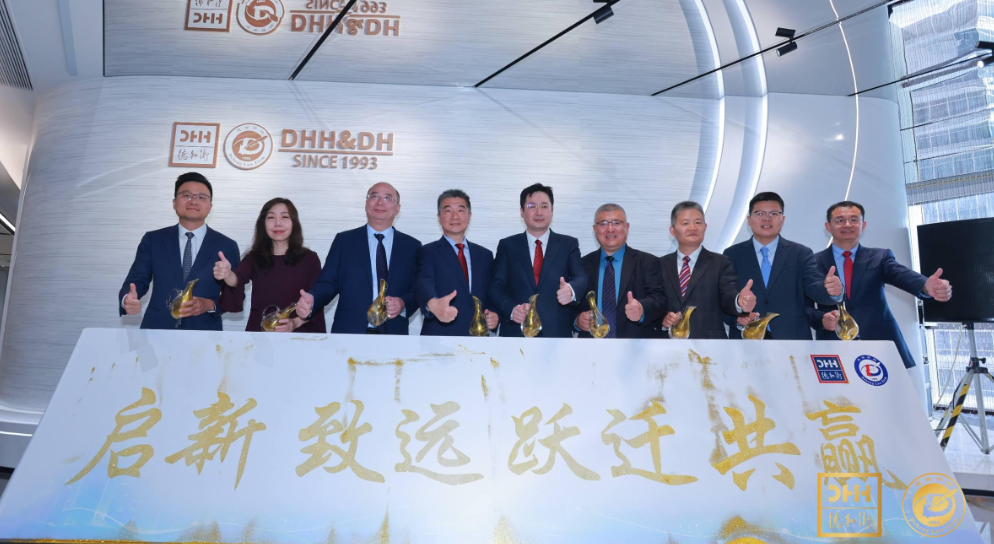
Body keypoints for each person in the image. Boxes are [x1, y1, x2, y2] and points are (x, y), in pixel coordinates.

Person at [808, 201, 952, 371]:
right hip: (833, 346)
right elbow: (804, 307)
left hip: (880, 344)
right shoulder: (812, 262)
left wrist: (925, 285)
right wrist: (822, 320)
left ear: (863, 225)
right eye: (840, 220)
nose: (847, 224)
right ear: (828, 226)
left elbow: (901, 275)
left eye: (853, 219)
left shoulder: (880, 257)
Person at [294, 182, 421, 334]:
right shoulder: (344, 241)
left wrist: (403, 303)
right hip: (349, 333)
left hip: (394, 334)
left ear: (398, 208)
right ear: (366, 204)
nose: (380, 202)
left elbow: (418, 290)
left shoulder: (412, 246)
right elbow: (328, 283)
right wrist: (312, 299)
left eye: (387, 198)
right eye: (374, 196)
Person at [119, 172, 240, 330]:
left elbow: (235, 295)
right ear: (174, 202)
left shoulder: (227, 245)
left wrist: (209, 304)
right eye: (186, 195)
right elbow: (137, 279)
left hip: (204, 332)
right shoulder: (153, 240)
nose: (193, 201)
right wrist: (127, 299)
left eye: (201, 197)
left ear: (210, 206)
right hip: (157, 329)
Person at [723, 192, 842, 339]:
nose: (766, 218)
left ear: (782, 219)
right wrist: (737, 318)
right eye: (760, 213)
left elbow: (815, 289)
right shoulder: (732, 254)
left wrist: (833, 291)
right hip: (746, 340)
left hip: (793, 340)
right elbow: (724, 298)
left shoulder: (801, 253)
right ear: (749, 220)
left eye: (774, 213)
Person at [489, 184, 588, 338]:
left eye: (544, 206)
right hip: (516, 333)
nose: (539, 212)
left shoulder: (568, 244)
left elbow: (581, 277)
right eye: (532, 206)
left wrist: (570, 290)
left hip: (556, 335)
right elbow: (496, 287)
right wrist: (512, 310)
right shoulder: (507, 245)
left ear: (552, 210)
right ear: (522, 211)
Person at [214, 198, 325, 333]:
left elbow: (317, 300)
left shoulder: (309, 259)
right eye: (271, 217)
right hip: (260, 333)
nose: (278, 223)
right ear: (263, 224)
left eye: (285, 217)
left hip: (298, 334)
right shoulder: (254, 257)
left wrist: (295, 323)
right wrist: (226, 274)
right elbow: (237, 278)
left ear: (294, 223)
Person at [658, 201, 756, 339]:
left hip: (710, 344)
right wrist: (663, 319)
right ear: (672, 231)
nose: (693, 227)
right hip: (666, 344)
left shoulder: (721, 263)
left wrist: (739, 302)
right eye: (685, 223)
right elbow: (654, 303)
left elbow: (728, 297)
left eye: (698, 222)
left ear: (705, 227)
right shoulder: (658, 265)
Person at [574, 203, 666, 339]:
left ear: (627, 227)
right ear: (595, 229)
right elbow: (570, 305)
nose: (610, 229)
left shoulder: (648, 262)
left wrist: (641, 309)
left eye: (616, 223)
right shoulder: (582, 264)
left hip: (635, 345)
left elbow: (659, 300)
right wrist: (577, 320)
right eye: (603, 223)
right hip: (591, 346)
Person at [415, 190, 499, 336]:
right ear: (439, 217)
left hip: (479, 337)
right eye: (448, 211)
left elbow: (493, 291)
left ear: (469, 216)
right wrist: (433, 304)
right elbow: (423, 282)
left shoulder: (485, 255)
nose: (455, 216)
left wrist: (495, 314)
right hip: (440, 336)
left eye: (460, 210)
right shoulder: (427, 252)